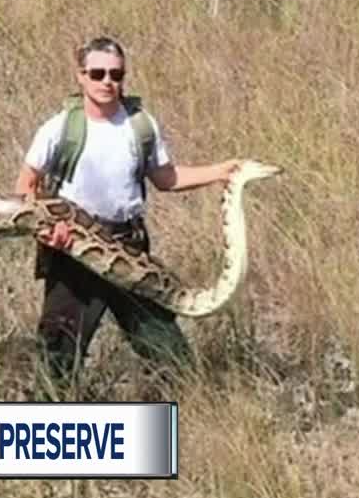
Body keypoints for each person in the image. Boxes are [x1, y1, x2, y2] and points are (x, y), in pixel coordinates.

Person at [14, 36, 241, 391]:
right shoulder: (60, 127)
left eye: (116, 74)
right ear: (81, 76)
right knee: (58, 358)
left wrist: (222, 172)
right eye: (98, 73)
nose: (107, 82)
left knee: (168, 350)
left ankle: (186, 418)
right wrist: (47, 231)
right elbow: (25, 186)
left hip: (129, 248)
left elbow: (166, 178)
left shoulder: (141, 125)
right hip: (73, 250)